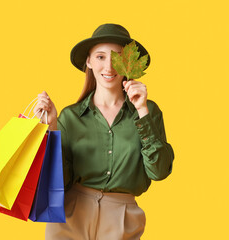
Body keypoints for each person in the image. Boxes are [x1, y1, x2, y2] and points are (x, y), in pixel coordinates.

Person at [33, 23, 174, 240]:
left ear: (129, 63)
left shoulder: (149, 111)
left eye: (118, 57)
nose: (109, 66)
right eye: (100, 57)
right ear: (88, 61)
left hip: (122, 218)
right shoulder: (70, 117)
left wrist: (142, 111)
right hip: (71, 216)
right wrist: (51, 128)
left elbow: (160, 171)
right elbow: (60, 181)